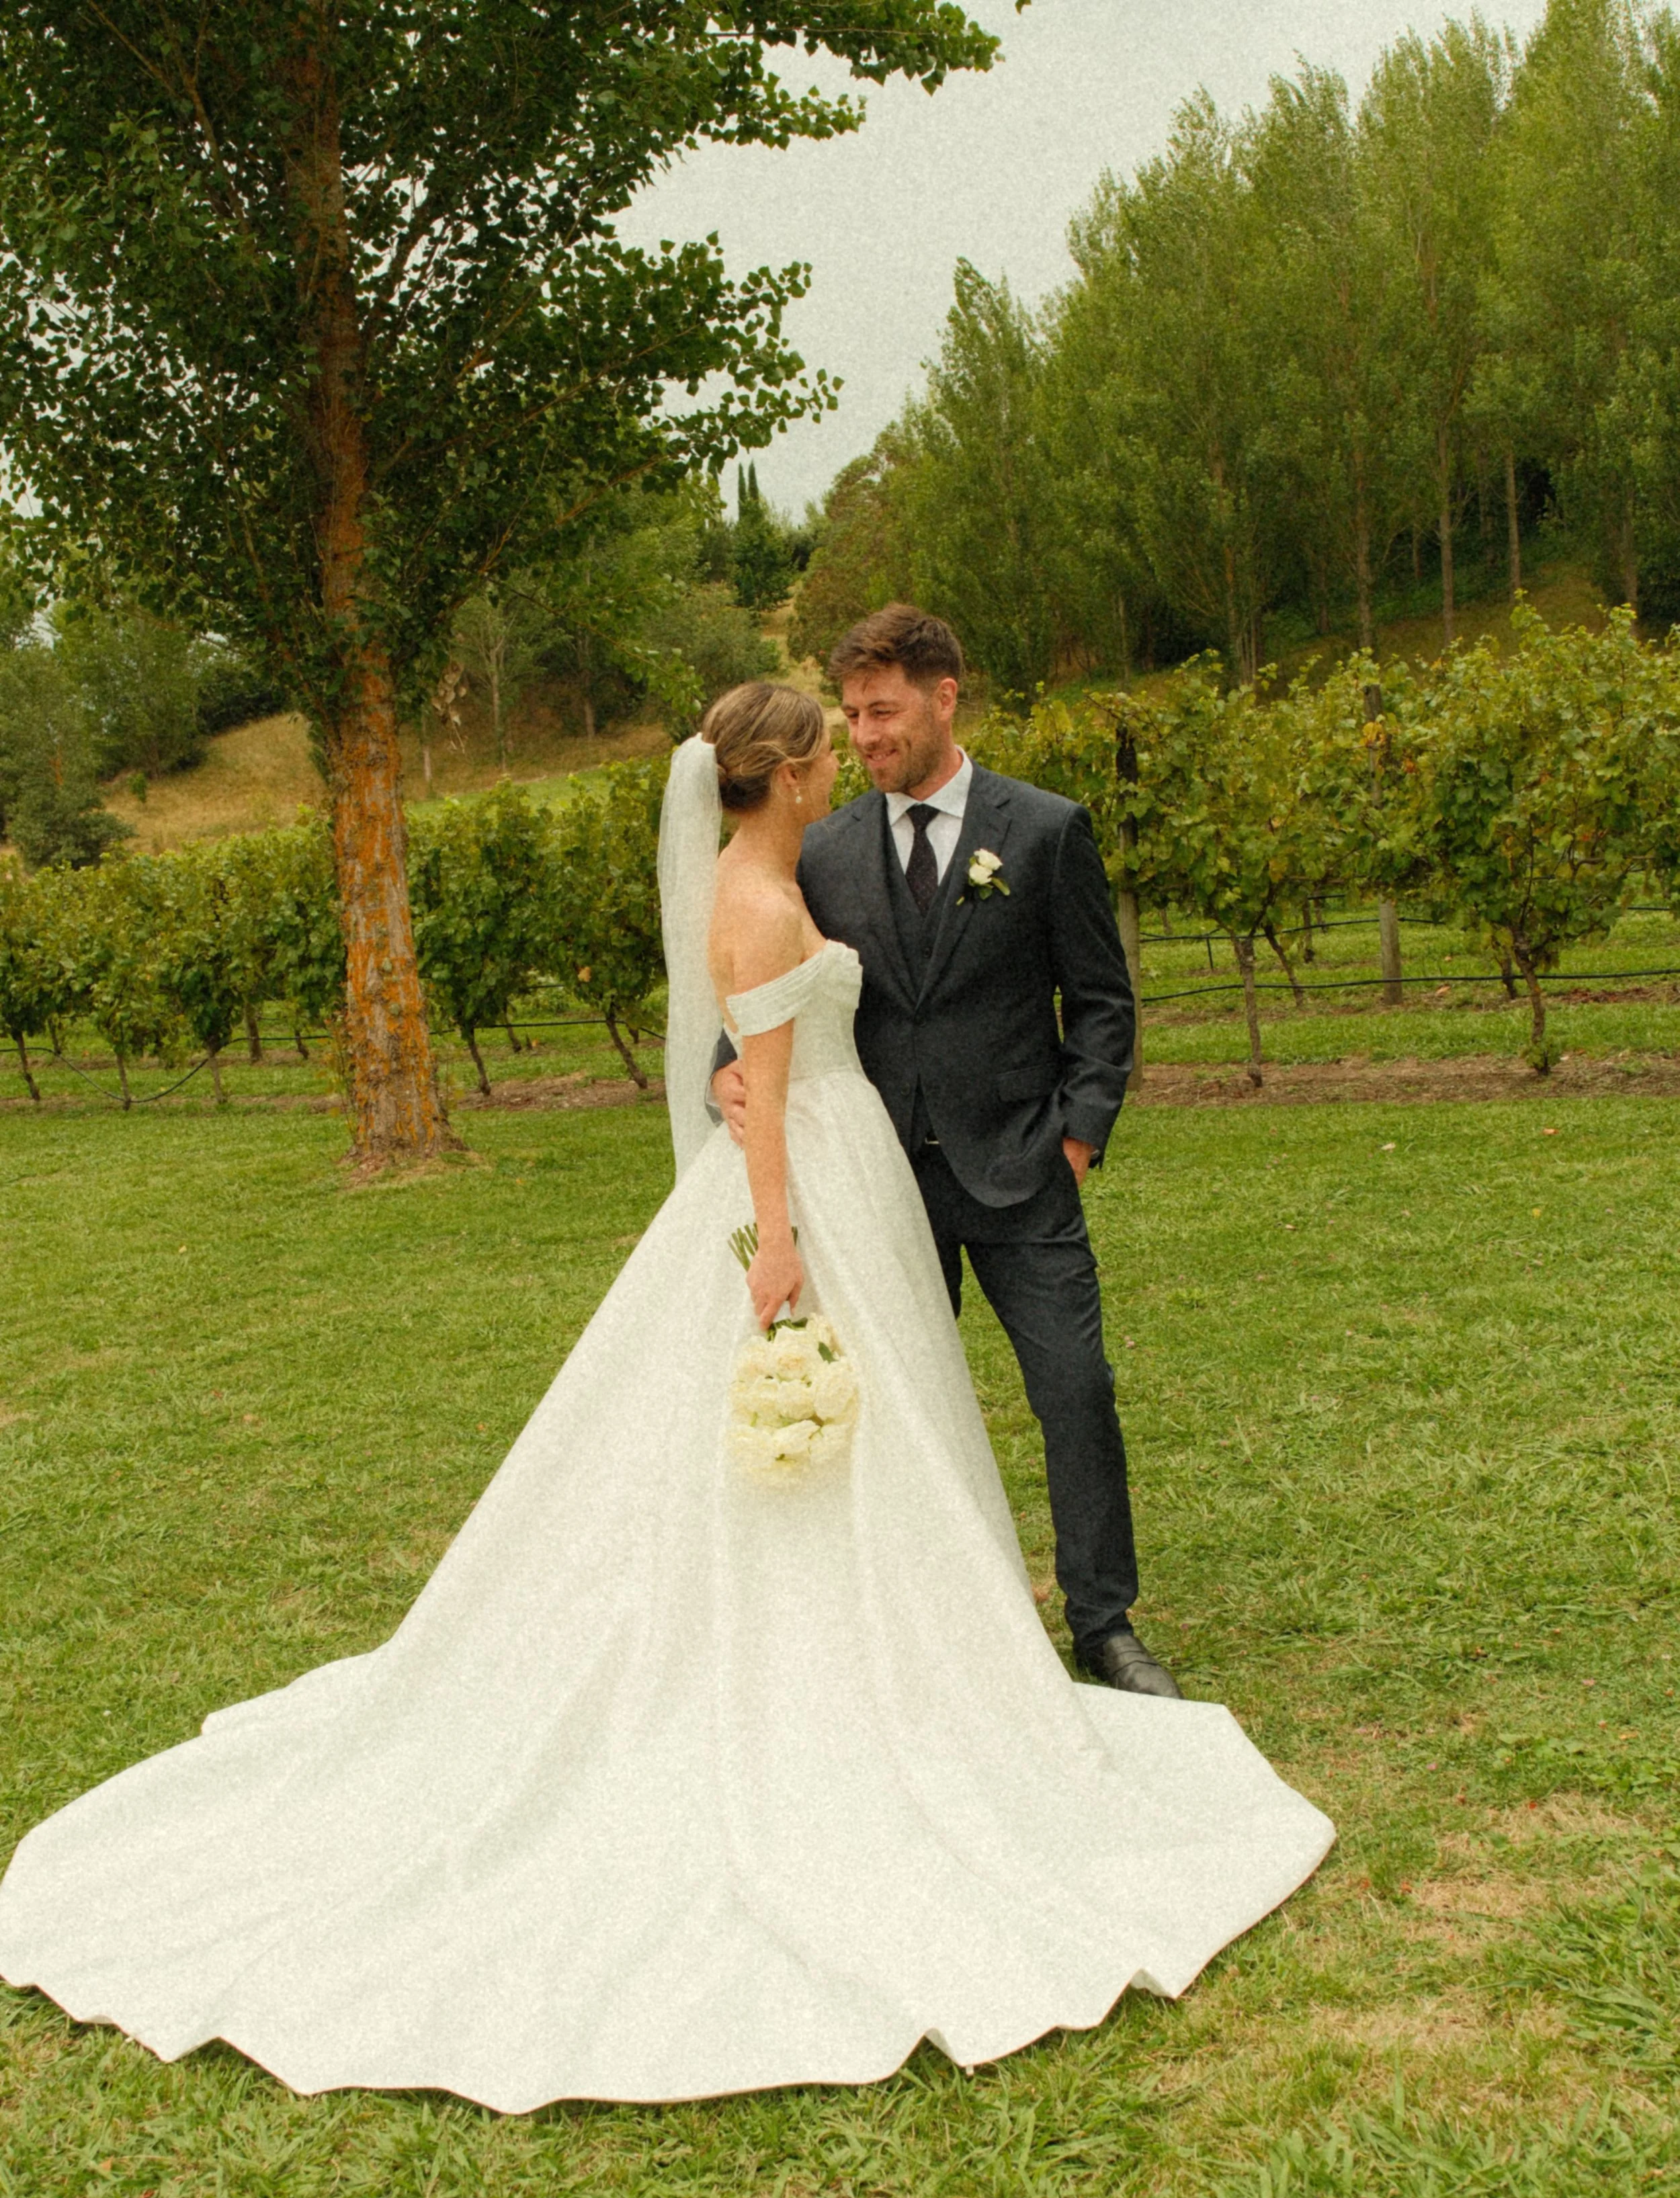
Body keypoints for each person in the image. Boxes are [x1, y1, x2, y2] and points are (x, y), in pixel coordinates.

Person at [0, 685, 1333, 2112]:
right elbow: (748, 1076)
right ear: (779, 771)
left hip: (860, 1165)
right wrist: (774, 1243)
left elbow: (746, 1055)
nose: (842, 759)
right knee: (813, 1436)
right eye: (826, 743)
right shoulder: (762, 894)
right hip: (800, 1189)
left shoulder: (771, 870)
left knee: (906, 1435)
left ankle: (984, 1631)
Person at [713, 606, 1173, 1699]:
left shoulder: (1048, 830)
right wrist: (719, 1072)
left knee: (1076, 1388)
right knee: (893, 1402)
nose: (867, 737)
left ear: (945, 696)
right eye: (855, 718)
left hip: (1023, 1171)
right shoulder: (818, 848)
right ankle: (905, 1624)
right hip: (876, 1187)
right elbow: (761, 988)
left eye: (884, 711)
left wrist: (1076, 1138)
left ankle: (1104, 1624)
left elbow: (1103, 1004)